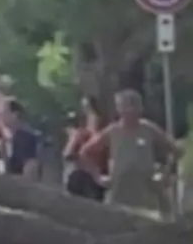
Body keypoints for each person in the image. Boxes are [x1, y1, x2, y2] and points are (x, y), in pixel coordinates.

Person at [80, 89, 181, 217]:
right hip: (120, 193)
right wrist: (98, 176)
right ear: (119, 109)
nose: (130, 110)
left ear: (141, 108)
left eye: (134, 105)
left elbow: (175, 150)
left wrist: (165, 175)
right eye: (126, 106)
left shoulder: (148, 128)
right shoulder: (113, 131)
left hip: (147, 194)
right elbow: (85, 152)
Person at [63, 96, 107, 200]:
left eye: (91, 109)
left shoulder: (107, 133)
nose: (92, 114)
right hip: (81, 176)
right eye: (86, 109)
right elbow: (68, 155)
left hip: (99, 177)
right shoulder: (80, 134)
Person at [1, 98, 40, 179]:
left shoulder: (26, 137)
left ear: (15, 115)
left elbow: (30, 166)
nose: (2, 115)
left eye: (5, 112)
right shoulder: (12, 137)